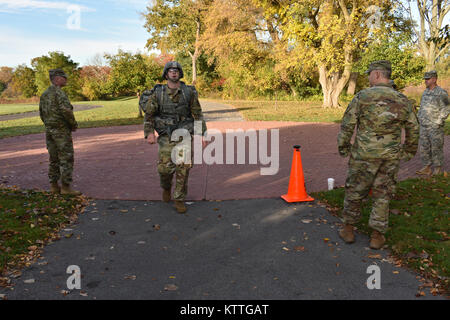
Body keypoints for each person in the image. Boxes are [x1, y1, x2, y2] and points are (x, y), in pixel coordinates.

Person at [337, 60, 419, 249]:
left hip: (363, 155)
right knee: (383, 194)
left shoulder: (362, 97)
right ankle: (376, 235)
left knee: (355, 191)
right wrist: (408, 151)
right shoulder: (402, 99)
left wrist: (344, 147)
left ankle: (348, 230)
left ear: (377, 75)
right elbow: (414, 128)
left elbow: (348, 124)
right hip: (389, 156)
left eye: (369, 74)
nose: (368, 78)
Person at [143, 61, 207, 213]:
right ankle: (166, 187)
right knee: (165, 170)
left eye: (176, 70)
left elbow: (197, 114)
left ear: (180, 73)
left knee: (183, 167)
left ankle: (179, 198)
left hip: (185, 134)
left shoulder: (188, 92)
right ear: (166, 74)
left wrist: (202, 134)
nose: (174, 73)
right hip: (166, 136)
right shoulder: (158, 93)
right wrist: (149, 133)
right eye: (171, 70)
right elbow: (149, 115)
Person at [39, 69, 80, 195]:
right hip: (61, 130)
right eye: (64, 77)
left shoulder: (45, 94)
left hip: (49, 130)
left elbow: (41, 112)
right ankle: (66, 187)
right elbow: (66, 111)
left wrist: (48, 125)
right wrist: (73, 124)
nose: (66, 79)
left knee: (53, 158)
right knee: (66, 157)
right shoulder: (59, 93)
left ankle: (54, 186)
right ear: (57, 79)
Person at [415, 70, 449, 176]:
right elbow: (423, 106)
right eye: (425, 79)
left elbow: (447, 108)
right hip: (424, 125)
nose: (425, 81)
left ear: (434, 79)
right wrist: (418, 117)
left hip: (435, 126)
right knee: (424, 147)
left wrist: (439, 121)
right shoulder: (425, 92)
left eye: (427, 79)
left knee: (436, 147)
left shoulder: (441, 92)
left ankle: (437, 168)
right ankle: (427, 167)